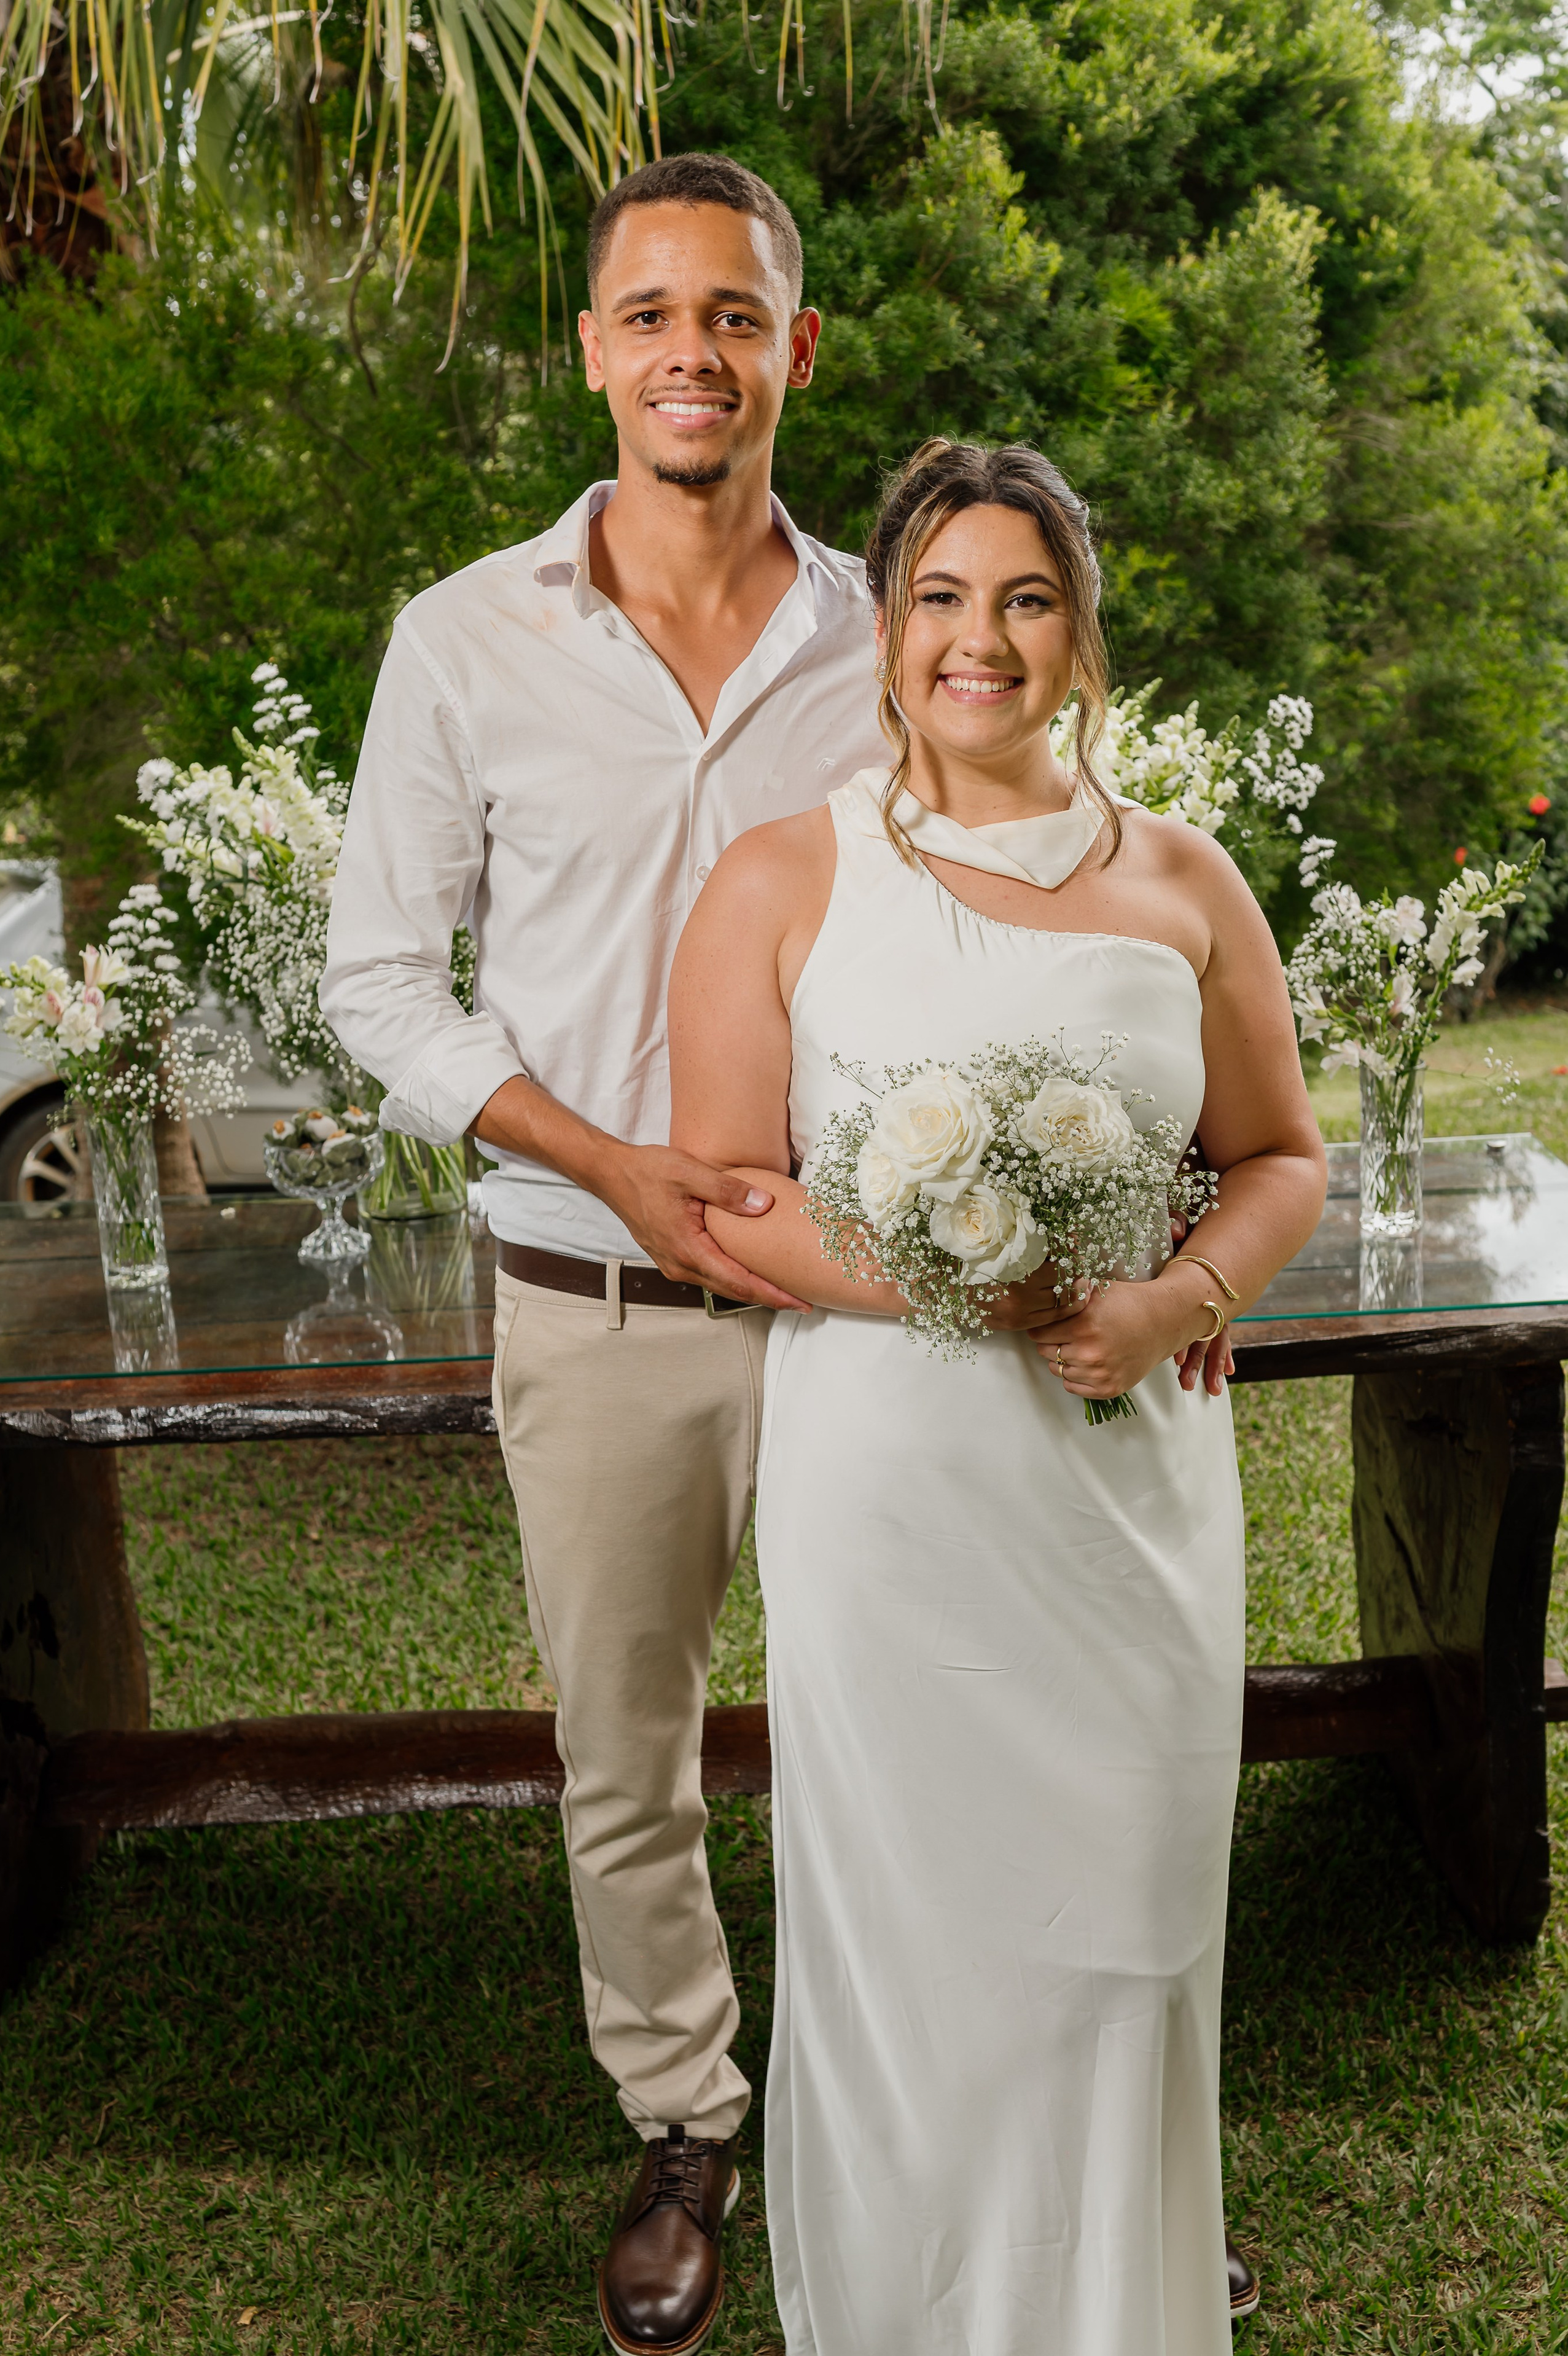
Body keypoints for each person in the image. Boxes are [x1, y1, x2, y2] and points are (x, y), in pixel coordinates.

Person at [668, 438, 1327, 2355]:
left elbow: (1282, 1151)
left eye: (1026, 597)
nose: (984, 638)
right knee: (916, 1937)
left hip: (1125, 1486)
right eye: (943, 599)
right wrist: (965, 1284)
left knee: (1128, 1913)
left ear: (1083, 635)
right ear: (886, 637)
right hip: (895, 1483)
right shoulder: (786, 876)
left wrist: (1179, 1294)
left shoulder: (1185, 879)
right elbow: (729, 1199)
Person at [321, 153, 889, 2356]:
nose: (692, 351)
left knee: (891, 1721)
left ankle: (921, 2112)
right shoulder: (463, 639)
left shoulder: (891, 635)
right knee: (626, 1747)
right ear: (592, 350)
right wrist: (615, 1162)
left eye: (734, 314)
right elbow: (383, 981)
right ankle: (685, 2118)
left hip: (861, 1315)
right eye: (650, 313)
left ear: (794, 351)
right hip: (592, 1295)